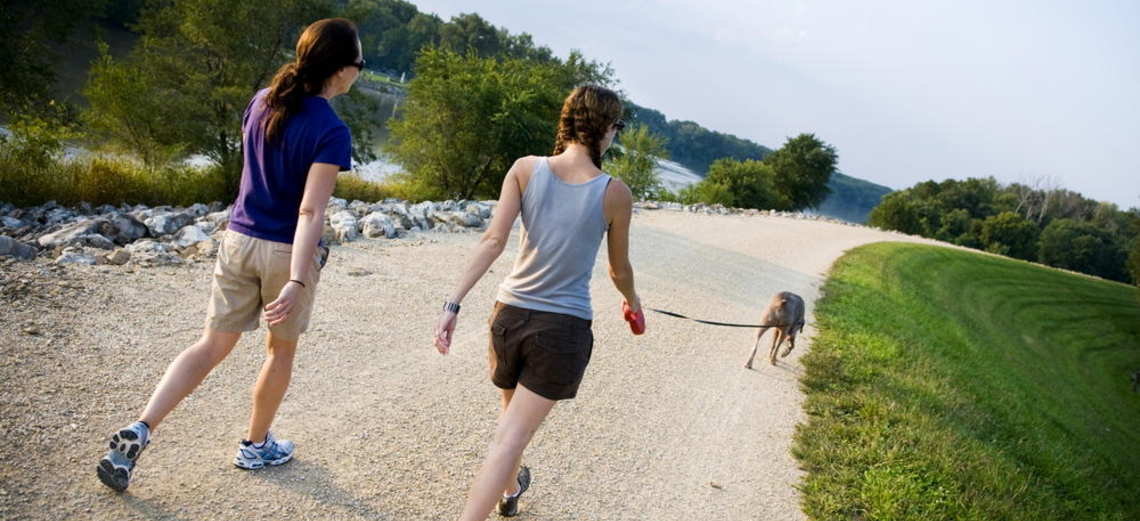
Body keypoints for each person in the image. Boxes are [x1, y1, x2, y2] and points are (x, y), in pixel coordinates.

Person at [96, 18, 362, 492]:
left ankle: (141, 427)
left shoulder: (262, 100)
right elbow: (309, 210)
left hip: (238, 240)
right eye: (359, 64)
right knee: (280, 352)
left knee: (210, 346)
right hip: (285, 252)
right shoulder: (332, 130)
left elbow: (255, 174)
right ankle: (255, 445)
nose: (359, 72)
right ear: (341, 71)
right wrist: (299, 277)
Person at [433, 84, 643, 519]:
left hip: (508, 318)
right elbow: (618, 270)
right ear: (605, 128)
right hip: (560, 330)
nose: (615, 134)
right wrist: (633, 303)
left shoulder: (525, 169)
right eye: (617, 126)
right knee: (509, 437)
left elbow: (493, 241)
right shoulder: (614, 192)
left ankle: (510, 492)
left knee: (510, 421)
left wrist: (452, 304)